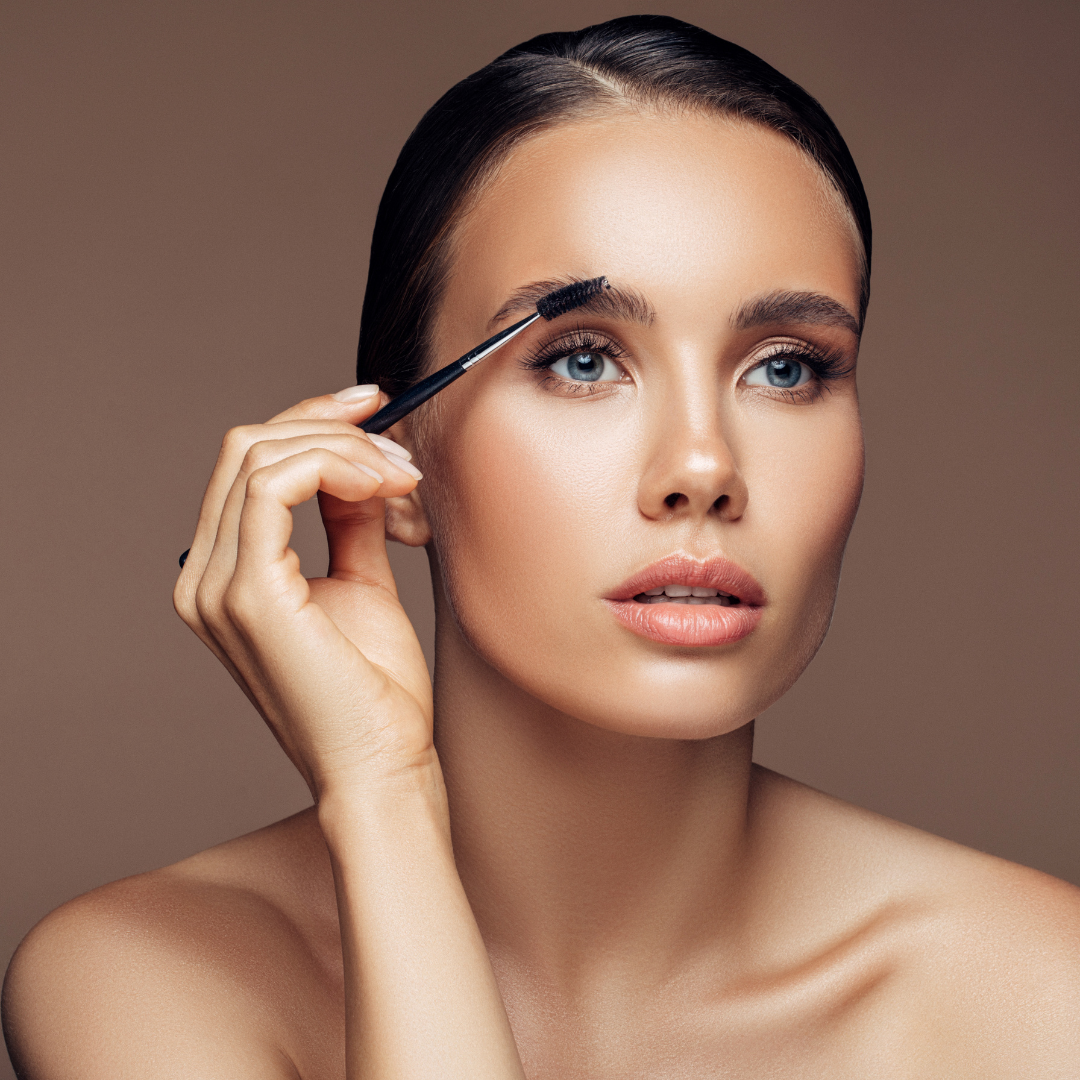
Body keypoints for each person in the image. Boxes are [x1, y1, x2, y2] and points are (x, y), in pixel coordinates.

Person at [4, 15, 1078, 1078]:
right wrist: (382, 798)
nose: (703, 466)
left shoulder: (1041, 993)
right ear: (394, 453)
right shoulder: (149, 977)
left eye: (787, 367)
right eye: (580, 361)